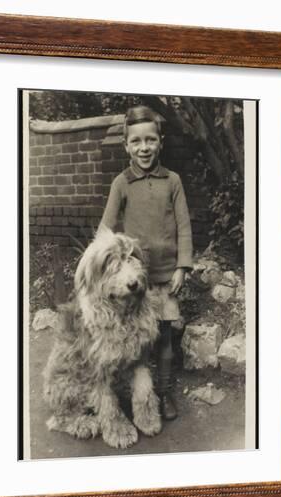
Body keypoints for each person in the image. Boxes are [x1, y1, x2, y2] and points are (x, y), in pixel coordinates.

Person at [100, 105, 193, 420]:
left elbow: (184, 227)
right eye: (136, 141)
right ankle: (141, 396)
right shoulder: (122, 183)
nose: (144, 147)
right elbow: (106, 229)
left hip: (166, 279)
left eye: (150, 140)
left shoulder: (173, 181)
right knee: (139, 344)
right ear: (126, 145)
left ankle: (164, 394)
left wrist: (182, 267)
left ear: (160, 141)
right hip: (135, 283)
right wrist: (102, 264)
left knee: (165, 340)